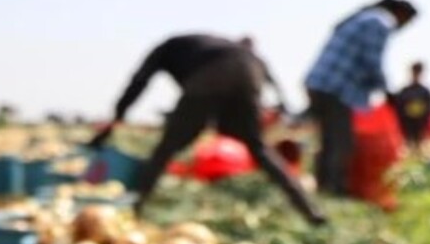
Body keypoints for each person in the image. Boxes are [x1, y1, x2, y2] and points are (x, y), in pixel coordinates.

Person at [89, 34, 325, 225]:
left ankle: (133, 207)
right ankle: (309, 209)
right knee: (258, 148)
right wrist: (282, 107)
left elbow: (138, 82)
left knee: (166, 147)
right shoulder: (220, 48)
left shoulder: (166, 48)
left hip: (216, 73)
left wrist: (116, 118)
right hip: (249, 72)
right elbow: (272, 84)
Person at [305, 0, 418, 196]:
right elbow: (372, 61)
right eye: (407, 21)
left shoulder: (365, 18)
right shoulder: (381, 21)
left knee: (330, 141)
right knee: (342, 143)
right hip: (335, 88)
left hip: (320, 83)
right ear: (400, 13)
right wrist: (387, 91)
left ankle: (323, 190)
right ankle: (333, 191)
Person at [395, 62, 430, 149]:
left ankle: (418, 152)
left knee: (418, 141)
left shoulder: (425, 91)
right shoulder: (405, 91)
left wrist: (426, 122)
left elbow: (429, 109)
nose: (416, 75)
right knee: (409, 142)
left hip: (420, 121)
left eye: (418, 72)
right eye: (414, 72)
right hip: (407, 121)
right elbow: (399, 107)